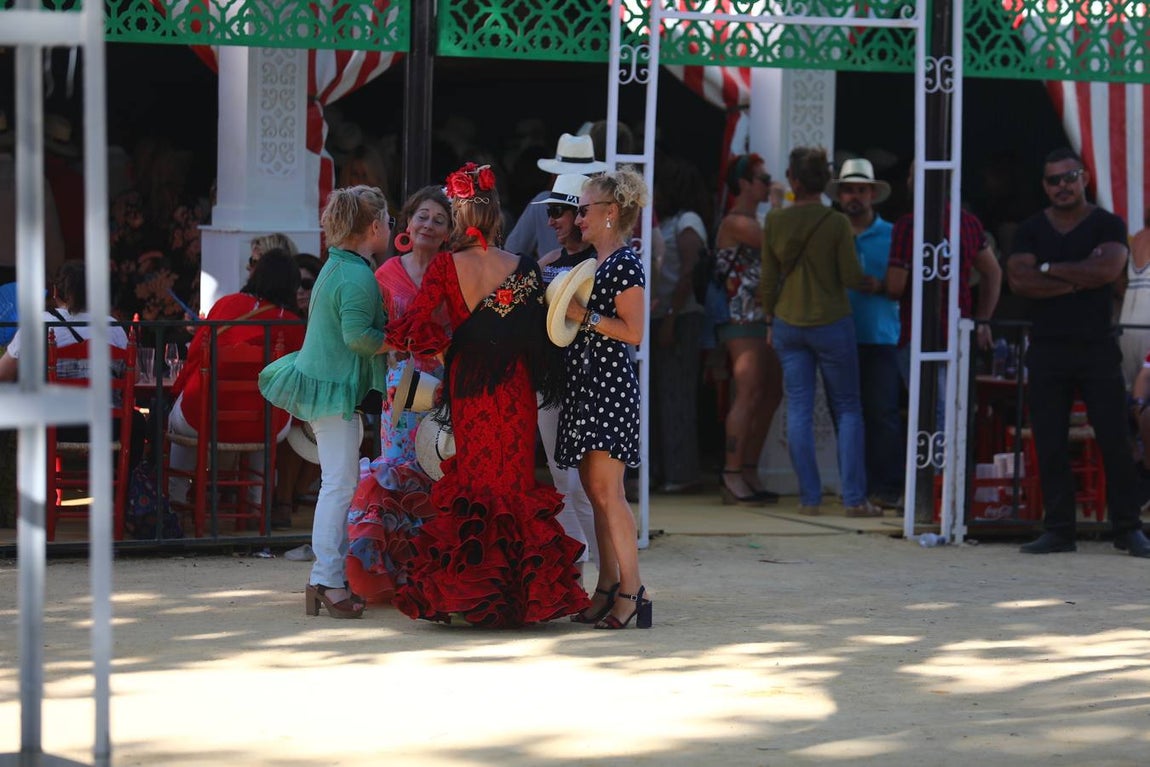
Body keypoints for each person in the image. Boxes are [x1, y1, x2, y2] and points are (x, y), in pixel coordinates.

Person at [386, 162, 589, 628]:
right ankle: (516, 597)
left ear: (457, 216)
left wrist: (444, 351)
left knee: (476, 483)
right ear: (496, 214)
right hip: (514, 388)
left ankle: (471, 593)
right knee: (512, 483)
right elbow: (542, 336)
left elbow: (415, 328)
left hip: (470, 388)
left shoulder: (443, 265)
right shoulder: (521, 266)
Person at [1005, 148, 1150, 557]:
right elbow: (1018, 279)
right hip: (1047, 348)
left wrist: (1049, 269)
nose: (1063, 186)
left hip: (1097, 347)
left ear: (1084, 178)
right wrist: (1076, 277)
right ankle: (1059, 530)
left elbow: (1107, 270)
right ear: (1044, 186)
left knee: (1116, 439)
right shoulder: (1032, 228)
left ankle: (1127, 528)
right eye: (1054, 180)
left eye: (1070, 177)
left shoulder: (1108, 223)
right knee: (1050, 442)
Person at [259, 185, 392, 617]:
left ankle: (328, 578)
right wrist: (398, 339)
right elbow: (357, 338)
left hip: (327, 385)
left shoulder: (339, 267)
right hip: (332, 389)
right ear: (373, 228)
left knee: (338, 484)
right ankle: (326, 579)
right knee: (339, 485)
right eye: (387, 222)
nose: (390, 228)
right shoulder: (355, 275)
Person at [556, 167, 654, 630]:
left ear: (610, 213)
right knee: (597, 494)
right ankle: (609, 585)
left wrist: (582, 315)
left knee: (607, 493)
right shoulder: (605, 263)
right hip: (592, 385)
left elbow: (634, 331)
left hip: (608, 386)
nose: (578, 220)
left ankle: (631, 589)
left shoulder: (625, 263)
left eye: (584, 210)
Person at [345, 185, 452, 604]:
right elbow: (372, 332)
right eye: (422, 217)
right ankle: (398, 571)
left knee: (436, 471)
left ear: (448, 232)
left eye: (439, 220)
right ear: (408, 222)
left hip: (443, 386)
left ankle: (430, 569)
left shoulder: (453, 271)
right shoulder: (385, 274)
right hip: (401, 386)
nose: (428, 225)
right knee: (398, 471)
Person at [762, 146, 880, 518]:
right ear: (826, 182)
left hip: (787, 323)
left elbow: (767, 281)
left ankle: (809, 498)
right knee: (847, 409)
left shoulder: (776, 221)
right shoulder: (836, 223)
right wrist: (871, 283)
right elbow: (849, 276)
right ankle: (854, 498)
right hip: (831, 322)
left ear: (794, 180)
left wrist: (770, 321)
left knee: (798, 408)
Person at [167, 249, 307, 512]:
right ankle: (255, 502)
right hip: (263, 425)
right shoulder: (293, 324)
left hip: (203, 417)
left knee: (184, 414)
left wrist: (177, 390)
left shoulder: (226, 304)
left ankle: (176, 495)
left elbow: (195, 355)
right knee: (266, 416)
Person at [828, 158, 903, 510]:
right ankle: (855, 488)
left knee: (882, 414)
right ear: (839, 195)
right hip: (837, 336)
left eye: (860, 190)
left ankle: (887, 487)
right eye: (847, 190)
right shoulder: (829, 231)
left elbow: (906, 283)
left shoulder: (892, 234)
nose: (854, 196)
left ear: (872, 194)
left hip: (880, 334)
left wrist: (885, 286)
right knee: (845, 416)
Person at [709, 153, 783, 505]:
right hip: (741, 318)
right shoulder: (738, 222)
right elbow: (779, 247)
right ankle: (732, 472)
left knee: (769, 393)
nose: (769, 185)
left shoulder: (753, 220)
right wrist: (782, 206)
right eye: (763, 179)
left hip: (763, 317)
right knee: (750, 391)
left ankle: (747, 469)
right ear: (744, 184)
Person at [534, 174, 598, 574]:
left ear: (579, 214)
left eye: (558, 212)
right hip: (550, 380)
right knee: (563, 478)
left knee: (590, 483)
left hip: (589, 381)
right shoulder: (545, 264)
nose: (552, 221)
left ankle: (597, 560)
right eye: (550, 213)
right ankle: (584, 555)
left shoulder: (604, 264)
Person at [650, 154, 709, 493]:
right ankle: (662, 468)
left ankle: (682, 472)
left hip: (681, 317)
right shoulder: (668, 221)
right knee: (660, 396)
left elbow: (688, 272)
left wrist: (671, 317)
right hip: (664, 317)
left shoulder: (688, 221)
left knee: (677, 396)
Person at [505, 133, 608, 260]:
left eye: (557, 211)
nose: (551, 222)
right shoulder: (604, 207)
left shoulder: (541, 202)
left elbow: (511, 252)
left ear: (554, 176)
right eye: (553, 211)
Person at [1118, 207, 1150, 388]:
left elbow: (1119, 281)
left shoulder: (1138, 237)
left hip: (1128, 324)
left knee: (1132, 391)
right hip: (1147, 323)